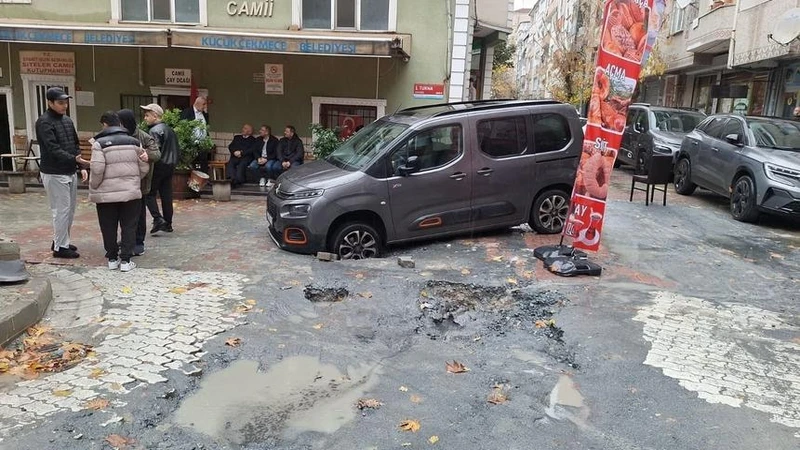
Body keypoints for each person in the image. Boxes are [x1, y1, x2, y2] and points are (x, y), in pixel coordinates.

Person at [88, 111, 149, 273]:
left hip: (106, 194)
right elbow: (144, 167)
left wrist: (94, 185)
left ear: (105, 125)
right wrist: (133, 179)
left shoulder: (98, 144)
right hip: (130, 192)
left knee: (108, 226)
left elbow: (97, 169)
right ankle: (126, 261)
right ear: (119, 124)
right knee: (129, 226)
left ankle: (112, 258)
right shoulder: (135, 142)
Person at [36, 87, 87, 259]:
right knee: (61, 210)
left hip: (69, 170)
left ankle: (61, 240)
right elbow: (53, 149)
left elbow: (74, 144)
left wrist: (80, 166)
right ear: (50, 103)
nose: (64, 105)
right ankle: (60, 247)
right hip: (54, 172)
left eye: (65, 102)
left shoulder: (67, 120)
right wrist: (75, 161)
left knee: (69, 210)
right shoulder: (44, 122)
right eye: (60, 102)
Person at [117, 109, 160, 256]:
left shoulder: (143, 136)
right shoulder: (118, 135)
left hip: (140, 183)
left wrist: (145, 154)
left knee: (138, 214)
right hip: (122, 182)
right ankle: (126, 240)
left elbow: (156, 153)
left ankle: (138, 241)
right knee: (123, 213)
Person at [141, 103, 179, 234]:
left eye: (147, 115)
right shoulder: (170, 129)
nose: (145, 118)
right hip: (170, 166)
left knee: (148, 194)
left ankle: (158, 219)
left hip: (157, 166)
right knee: (166, 195)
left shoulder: (155, 131)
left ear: (155, 116)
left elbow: (154, 152)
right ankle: (168, 223)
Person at [180, 96, 210, 173]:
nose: (205, 106)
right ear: (197, 103)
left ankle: (204, 179)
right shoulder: (187, 112)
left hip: (202, 144)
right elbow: (183, 127)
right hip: (191, 144)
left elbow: (206, 128)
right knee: (191, 163)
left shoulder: (205, 115)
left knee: (203, 163)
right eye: (204, 104)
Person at [226, 123, 257, 188]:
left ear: (250, 131)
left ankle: (239, 180)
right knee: (231, 163)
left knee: (242, 165)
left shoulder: (253, 140)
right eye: (243, 128)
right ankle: (232, 180)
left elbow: (251, 150)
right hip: (235, 156)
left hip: (246, 157)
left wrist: (241, 153)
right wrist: (234, 152)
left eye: (245, 128)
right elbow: (231, 146)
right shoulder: (237, 137)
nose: (242, 129)